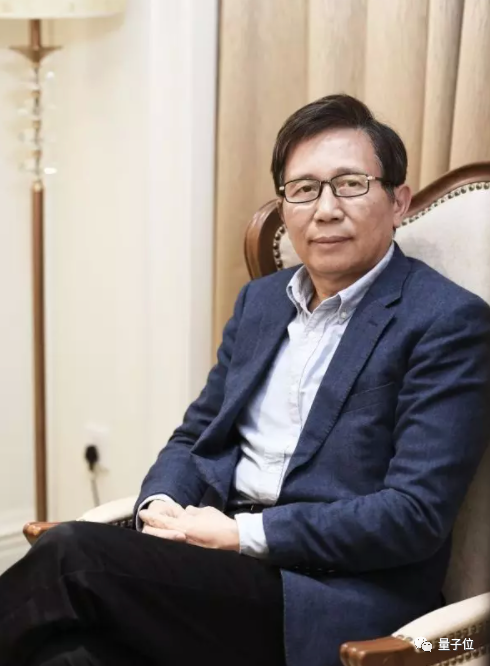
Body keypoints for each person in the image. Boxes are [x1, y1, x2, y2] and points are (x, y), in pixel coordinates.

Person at [1, 94, 490, 666]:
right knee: (63, 655)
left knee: (72, 555)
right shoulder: (261, 303)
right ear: (284, 206)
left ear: (397, 201)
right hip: (216, 565)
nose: (325, 209)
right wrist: (162, 506)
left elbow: (413, 515)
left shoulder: (447, 321)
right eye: (303, 189)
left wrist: (243, 535)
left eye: (350, 184)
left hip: (330, 596)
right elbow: (197, 435)